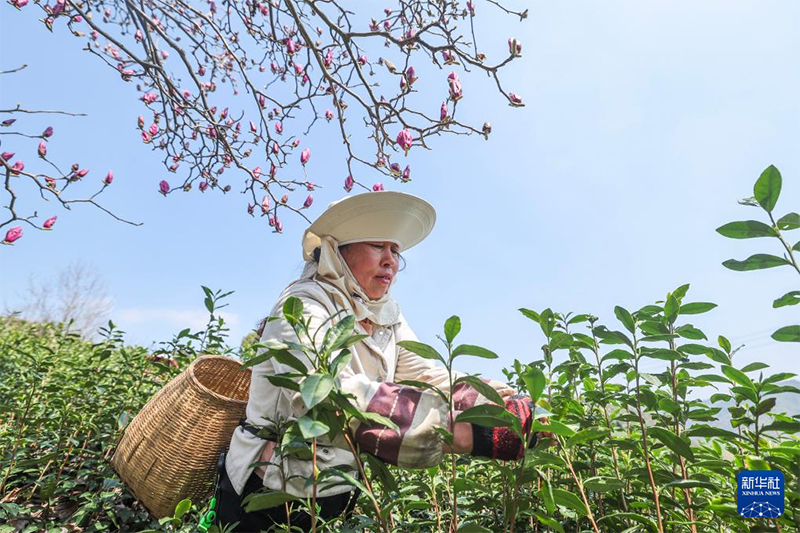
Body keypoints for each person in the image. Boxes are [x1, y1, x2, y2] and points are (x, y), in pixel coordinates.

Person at [218, 191, 540, 532]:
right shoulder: (302, 304)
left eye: (396, 251)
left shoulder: (387, 317)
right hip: (271, 490)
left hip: (336, 487)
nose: (391, 261)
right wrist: (466, 433)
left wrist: (500, 403)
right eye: (377, 246)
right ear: (337, 251)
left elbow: (426, 374)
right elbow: (321, 396)